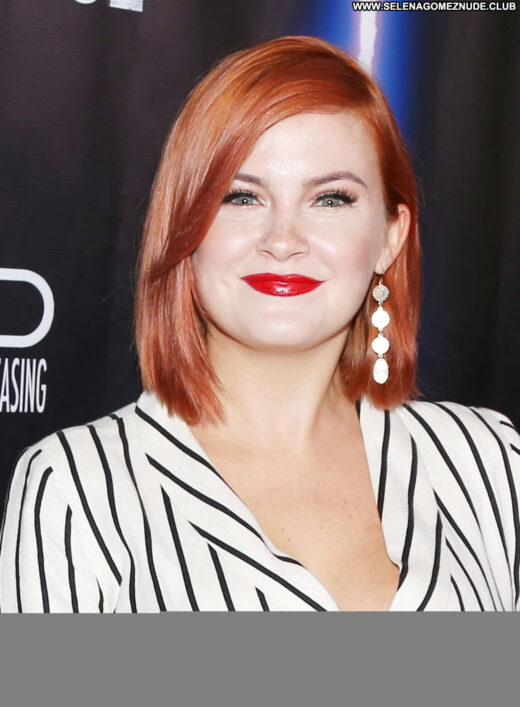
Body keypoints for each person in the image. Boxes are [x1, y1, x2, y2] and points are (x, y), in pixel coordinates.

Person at [0, 35, 519, 613]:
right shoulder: (76, 489)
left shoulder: (490, 462)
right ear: (185, 226)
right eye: (241, 197)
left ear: (390, 238)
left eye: (331, 199)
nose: (283, 240)